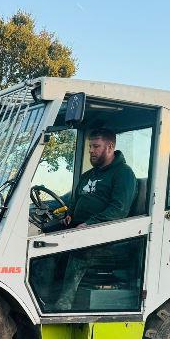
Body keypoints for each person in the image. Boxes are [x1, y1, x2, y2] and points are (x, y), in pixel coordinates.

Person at [53, 128, 137, 311]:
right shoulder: (87, 176)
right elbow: (74, 203)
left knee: (77, 252)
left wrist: (89, 224)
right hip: (82, 230)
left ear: (110, 147)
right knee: (45, 242)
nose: (91, 150)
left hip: (109, 239)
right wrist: (69, 216)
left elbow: (119, 210)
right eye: (90, 146)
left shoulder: (123, 174)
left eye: (96, 146)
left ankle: (63, 305)